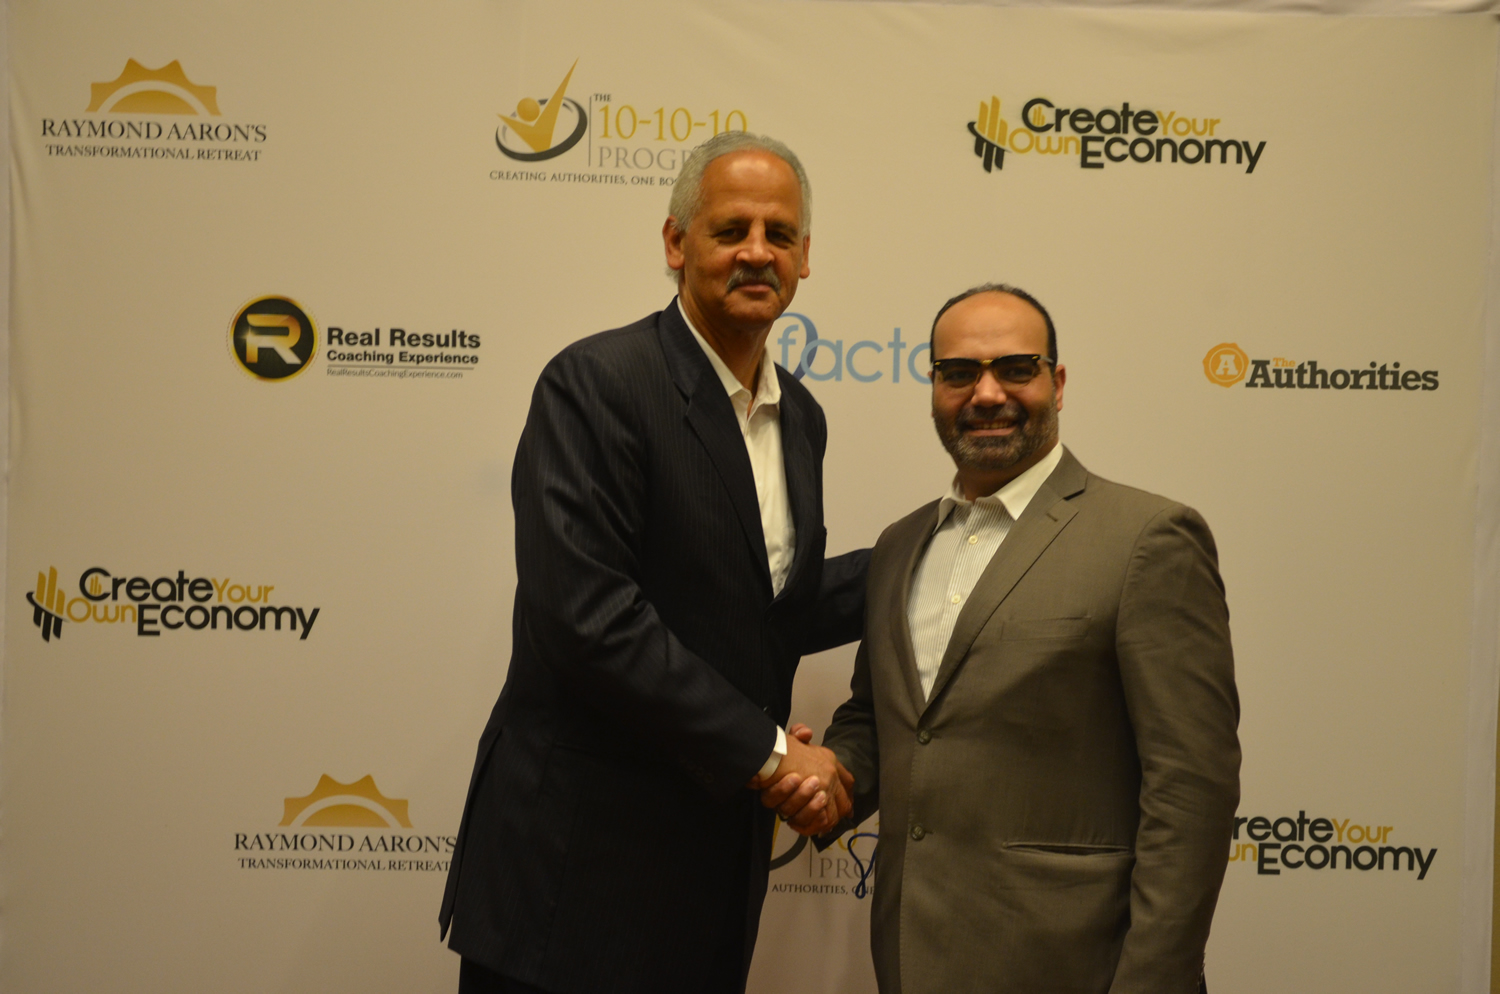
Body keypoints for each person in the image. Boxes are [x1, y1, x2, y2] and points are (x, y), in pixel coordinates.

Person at [439, 131, 867, 994]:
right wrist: (771, 752)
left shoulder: (802, 418)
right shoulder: (597, 382)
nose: (758, 252)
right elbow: (589, 619)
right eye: (731, 230)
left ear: (805, 259)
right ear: (676, 243)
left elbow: (768, 607)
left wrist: (939, 553)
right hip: (573, 881)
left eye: (780, 234)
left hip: (712, 878)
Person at [766, 284, 1240, 994]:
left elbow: (1192, 790)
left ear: (1058, 382)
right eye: (959, 373)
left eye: (1016, 369)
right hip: (910, 956)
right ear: (934, 389)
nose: (986, 394)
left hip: (1078, 967)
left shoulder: (1147, 537)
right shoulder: (900, 545)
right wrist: (832, 780)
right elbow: (881, 716)